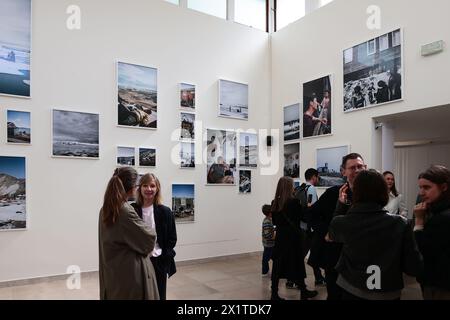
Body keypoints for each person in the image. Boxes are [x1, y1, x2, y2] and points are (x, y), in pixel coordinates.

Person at [328, 170, 422, 300]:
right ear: (384, 192)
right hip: (387, 292)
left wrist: (341, 205)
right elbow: (413, 267)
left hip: (351, 287)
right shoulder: (400, 224)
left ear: (356, 192)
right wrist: (419, 225)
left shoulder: (342, 222)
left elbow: (332, 234)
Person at [307, 153, 366, 300]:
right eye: (353, 167)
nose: (357, 170)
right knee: (335, 294)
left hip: (361, 257)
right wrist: (327, 232)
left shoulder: (371, 195)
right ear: (343, 171)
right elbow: (311, 216)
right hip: (335, 257)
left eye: (360, 167)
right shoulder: (333, 193)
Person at [98, 167, 159, 300]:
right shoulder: (125, 210)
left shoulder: (106, 208)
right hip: (131, 275)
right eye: (137, 185)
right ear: (131, 187)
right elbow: (149, 239)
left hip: (115, 272)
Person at [270, 177, 318, 300]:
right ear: (289, 187)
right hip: (293, 237)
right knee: (297, 264)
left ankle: (274, 294)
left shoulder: (274, 203)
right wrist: (308, 207)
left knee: (277, 266)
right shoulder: (294, 202)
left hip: (281, 238)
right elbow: (302, 217)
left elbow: (275, 221)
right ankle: (303, 291)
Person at [131, 173, 177, 300]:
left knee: (159, 295)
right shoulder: (132, 209)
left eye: (152, 186)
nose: (149, 189)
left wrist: (164, 257)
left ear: (157, 189)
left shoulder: (165, 211)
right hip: (139, 261)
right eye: (145, 185)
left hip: (158, 261)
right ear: (139, 188)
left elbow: (172, 238)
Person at [413, 165, 450, 300]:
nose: (421, 192)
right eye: (420, 187)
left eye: (427, 187)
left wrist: (418, 221)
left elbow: (423, 250)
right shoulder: (434, 209)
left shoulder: (444, 217)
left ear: (444, 187)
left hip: (440, 283)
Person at [262, 204, 276, 276]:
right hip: (268, 244)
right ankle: (265, 272)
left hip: (270, 244)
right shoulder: (267, 221)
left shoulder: (269, 220)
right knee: (266, 258)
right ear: (270, 212)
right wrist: (274, 236)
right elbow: (267, 234)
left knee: (272, 257)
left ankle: (266, 271)